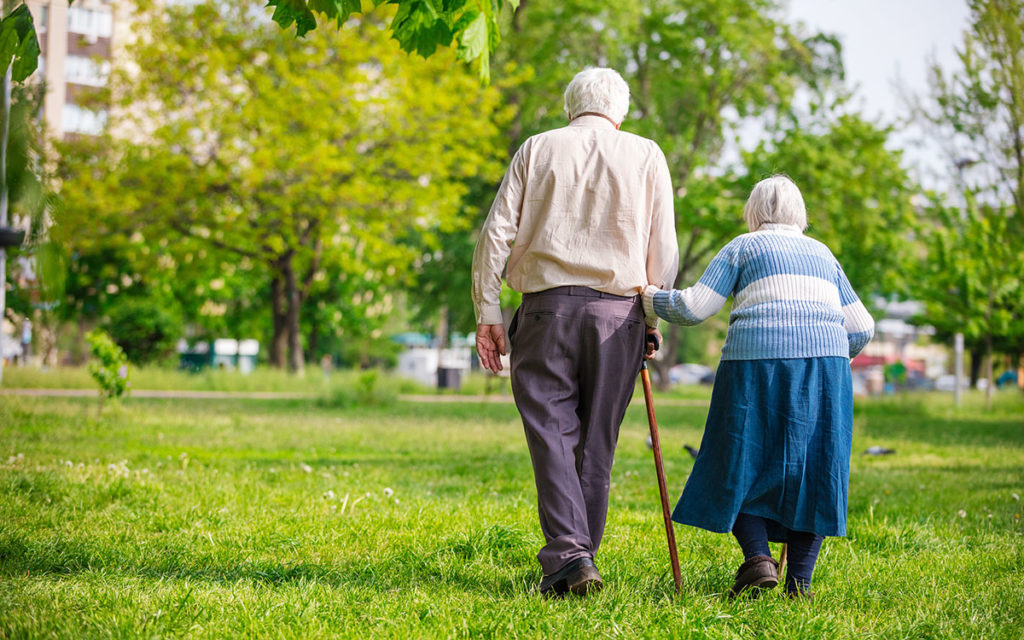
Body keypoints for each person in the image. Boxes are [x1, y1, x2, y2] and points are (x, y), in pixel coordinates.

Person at [472, 68, 679, 597]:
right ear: (621, 110)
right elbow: (663, 249)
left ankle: (570, 556)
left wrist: (488, 311)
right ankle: (577, 556)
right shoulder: (647, 154)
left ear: (570, 106)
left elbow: (496, 234)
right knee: (597, 444)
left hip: (546, 312)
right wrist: (651, 320)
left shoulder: (537, 148)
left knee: (552, 434)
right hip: (620, 314)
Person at [640, 175, 874, 599]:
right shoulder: (823, 253)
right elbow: (863, 326)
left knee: (737, 460)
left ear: (754, 212)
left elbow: (694, 307)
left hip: (754, 364)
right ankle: (798, 585)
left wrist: (650, 297)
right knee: (816, 471)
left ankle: (759, 558)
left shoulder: (743, 246)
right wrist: (831, 354)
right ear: (799, 214)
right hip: (826, 368)